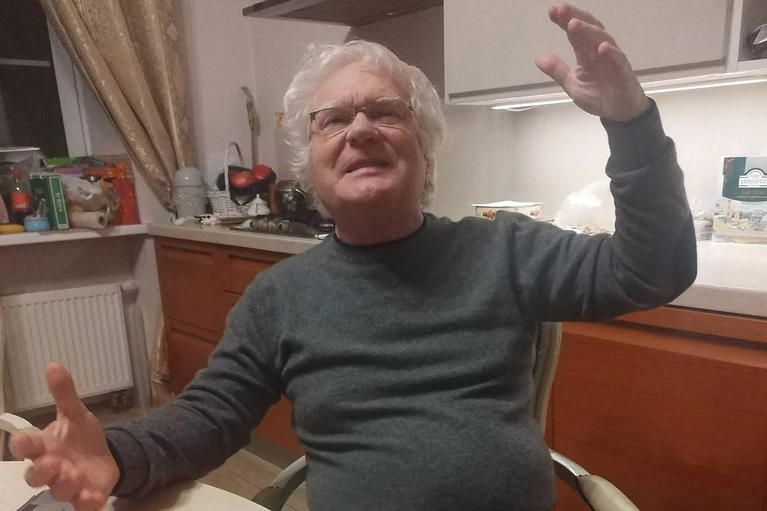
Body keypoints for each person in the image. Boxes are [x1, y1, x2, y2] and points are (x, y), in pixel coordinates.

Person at [10, 3, 697, 511]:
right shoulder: (280, 297)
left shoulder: (506, 249)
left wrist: (631, 123)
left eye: (385, 112)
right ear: (310, 167)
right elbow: (207, 417)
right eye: (333, 120)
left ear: (425, 148)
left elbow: (653, 269)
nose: (360, 128)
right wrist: (117, 452)